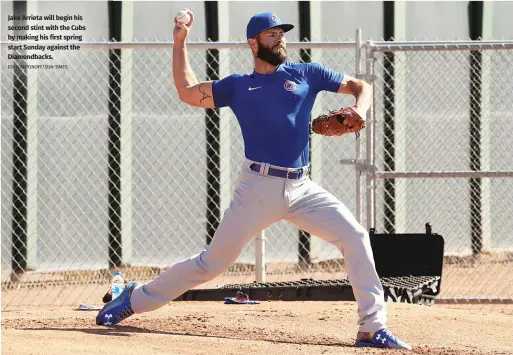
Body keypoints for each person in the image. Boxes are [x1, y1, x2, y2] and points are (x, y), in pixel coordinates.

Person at [96, 10, 411, 350]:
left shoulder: (308, 73)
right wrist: (179, 43)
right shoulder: (239, 86)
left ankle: (371, 328)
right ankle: (134, 298)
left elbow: (360, 86)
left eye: (282, 33)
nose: (281, 38)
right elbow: (187, 92)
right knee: (210, 264)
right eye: (272, 34)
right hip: (257, 189)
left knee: (355, 236)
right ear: (254, 42)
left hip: (302, 186)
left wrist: (359, 110)